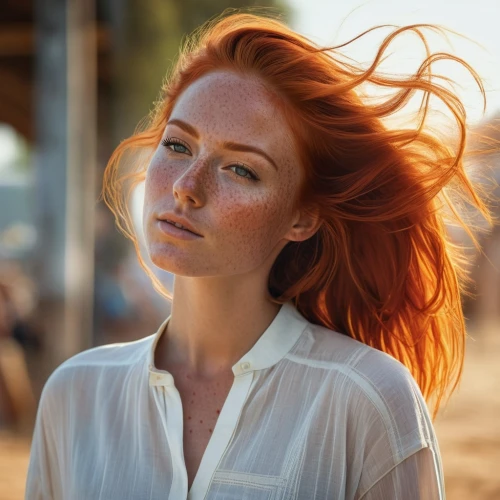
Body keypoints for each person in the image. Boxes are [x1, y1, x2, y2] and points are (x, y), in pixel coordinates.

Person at [25, 10, 497, 500]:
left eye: (241, 170)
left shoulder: (366, 399)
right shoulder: (74, 394)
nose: (187, 187)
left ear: (302, 217)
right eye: (177, 145)